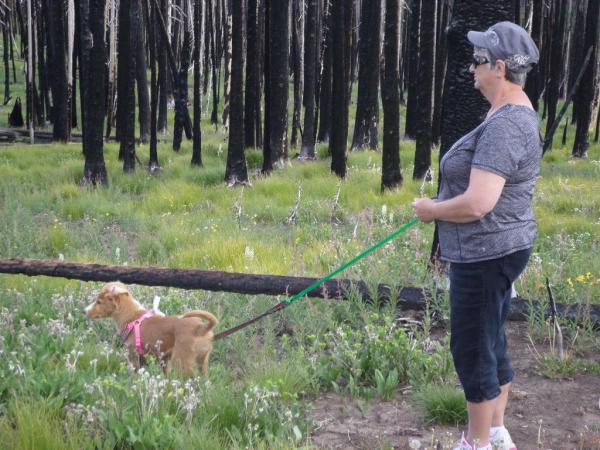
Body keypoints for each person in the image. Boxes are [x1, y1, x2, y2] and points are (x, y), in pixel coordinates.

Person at [412, 21, 542, 450]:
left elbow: (478, 203)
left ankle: (476, 442)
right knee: (490, 338)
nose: (471, 68)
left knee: (472, 349)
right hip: (498, 248)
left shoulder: (507, 124)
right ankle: (497, 433)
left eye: (477, 61)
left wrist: (432, 211)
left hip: (485, 253)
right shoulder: (507, 113)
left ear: (499, 68)